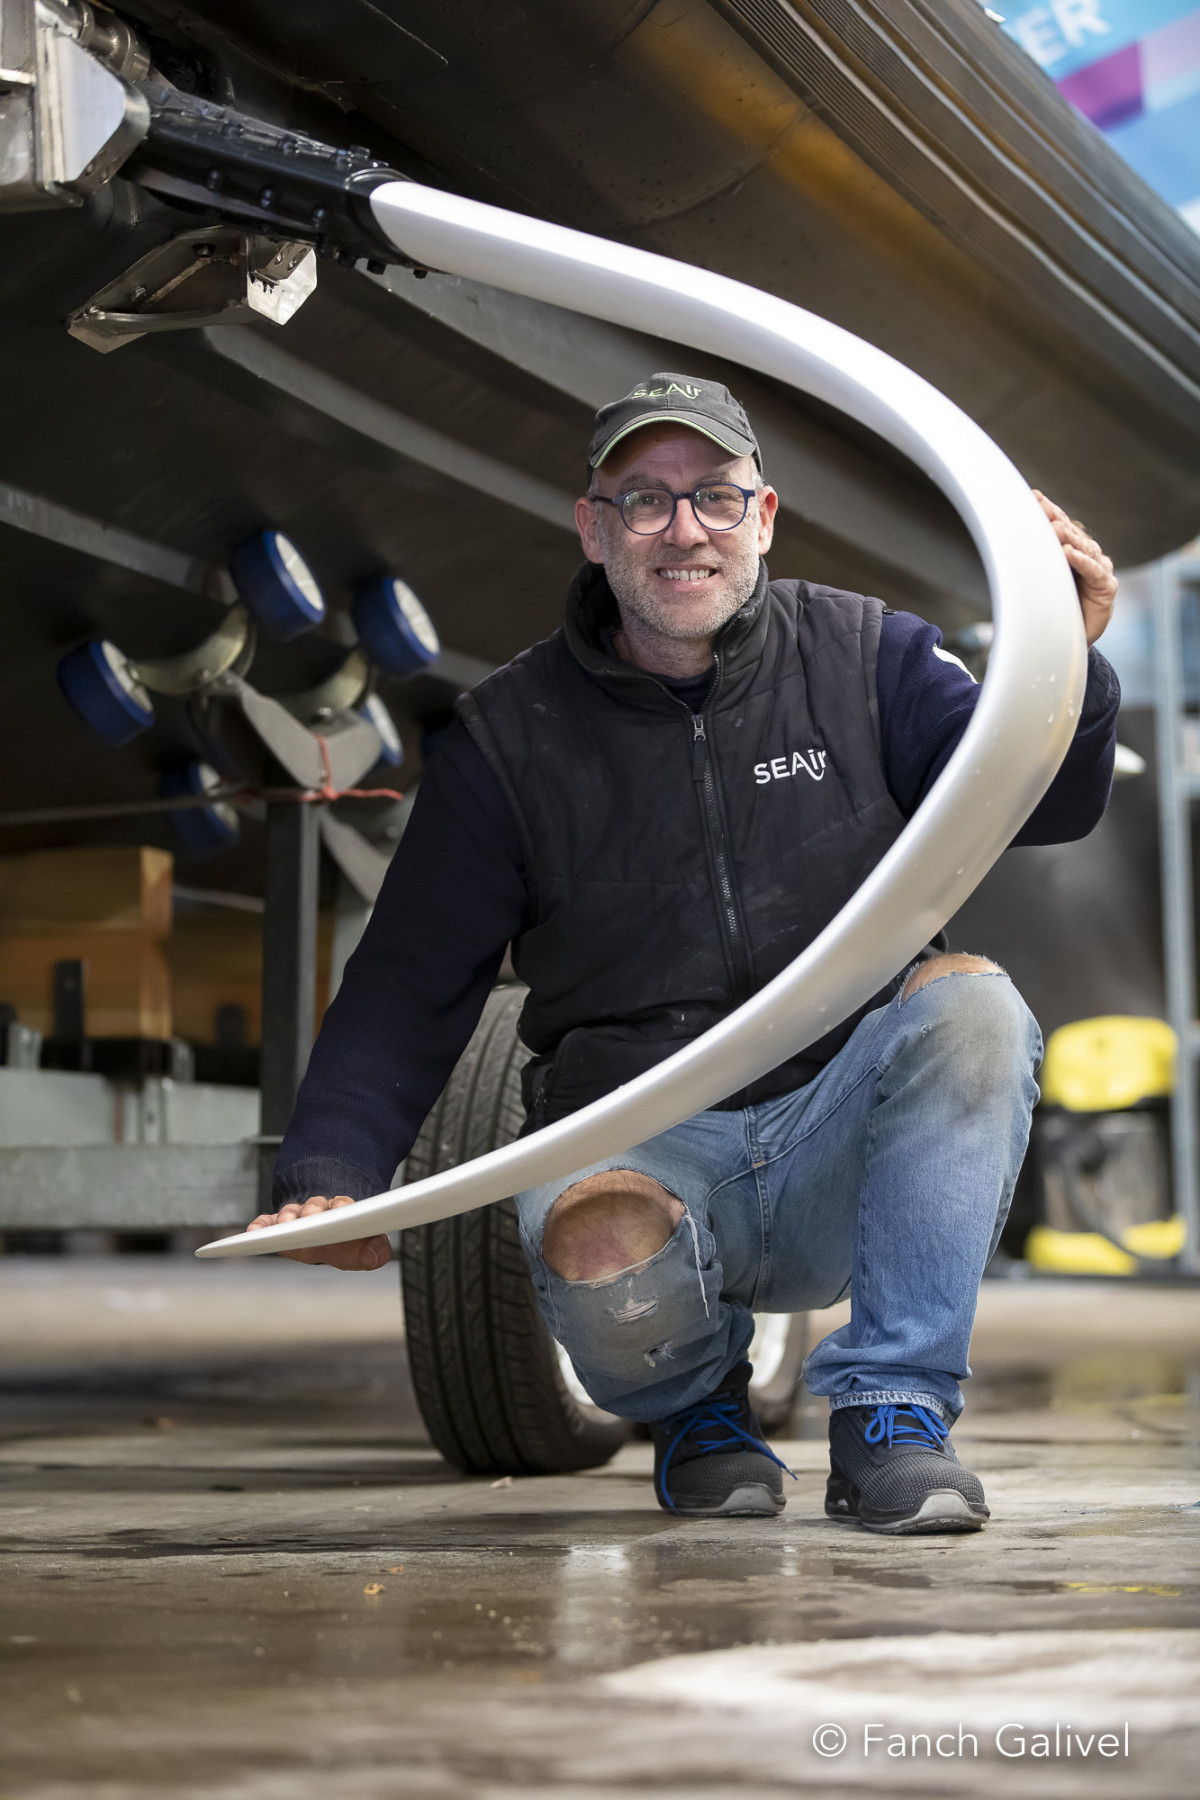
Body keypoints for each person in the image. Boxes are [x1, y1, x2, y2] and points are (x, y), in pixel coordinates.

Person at [248, 373, 1119, 1534]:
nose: (682, 531)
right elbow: (412, 977)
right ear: (594, 528)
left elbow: (1047, 802)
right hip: (638, 1142)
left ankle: (895, 1416)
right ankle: (697, 1414)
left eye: (713, 497)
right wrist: (330, 1178)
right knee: (595, 1224)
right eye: (644, 502)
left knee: (974, 1008)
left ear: (762, 518)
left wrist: (1072, 652)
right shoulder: (511, 736)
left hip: (832, 1134)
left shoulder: (871, 658)